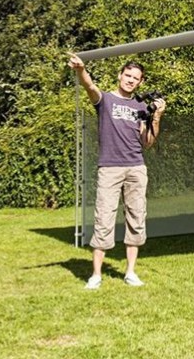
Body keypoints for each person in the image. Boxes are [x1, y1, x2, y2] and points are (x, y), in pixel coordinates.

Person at [68, 54, 165, 289]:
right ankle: (96, 275)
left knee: (136, 218)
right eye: (128, 75)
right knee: (104, 218)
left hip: (136, 167)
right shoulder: (106, 100)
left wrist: (157, 117)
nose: (130, 80)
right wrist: (81, 69)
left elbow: (148, 142)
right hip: (110, 168)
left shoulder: (141, 107)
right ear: (120, 75)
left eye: (135, 78)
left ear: (140, 82)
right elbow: (90, 86)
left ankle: (130, 273)